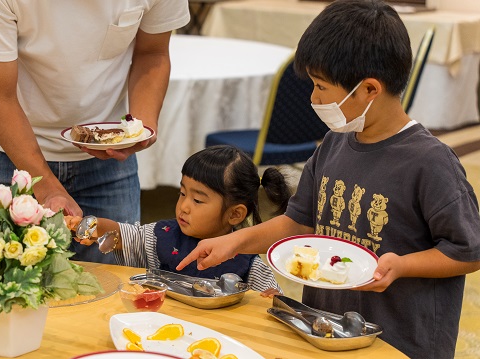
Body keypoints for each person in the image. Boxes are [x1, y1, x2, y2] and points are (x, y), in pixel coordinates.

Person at [176, 1, 480, 358]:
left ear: (369, 89)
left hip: (398, 342)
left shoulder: (430, 162)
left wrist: (402, 265)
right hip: (326, 329)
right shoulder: (335, 143)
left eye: (321, 87)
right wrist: (236, 241)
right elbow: (297, 223)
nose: (313, 98)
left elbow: (468, 251)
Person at [0, 1, 190, 264]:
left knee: (113, 291)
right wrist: (46, 186)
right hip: (10, 160)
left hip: (107, 167)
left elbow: (152, 54)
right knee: (7, 294)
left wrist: (139, 130)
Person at [67, 145, 289, 294]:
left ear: (235, 214)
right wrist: (90, 226)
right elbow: (121, 234)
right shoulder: (161, 235)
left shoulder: (248, 262)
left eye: (198, 201)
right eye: (182, 194)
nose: (184, 206)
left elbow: (271, 301)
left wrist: (271, 298)